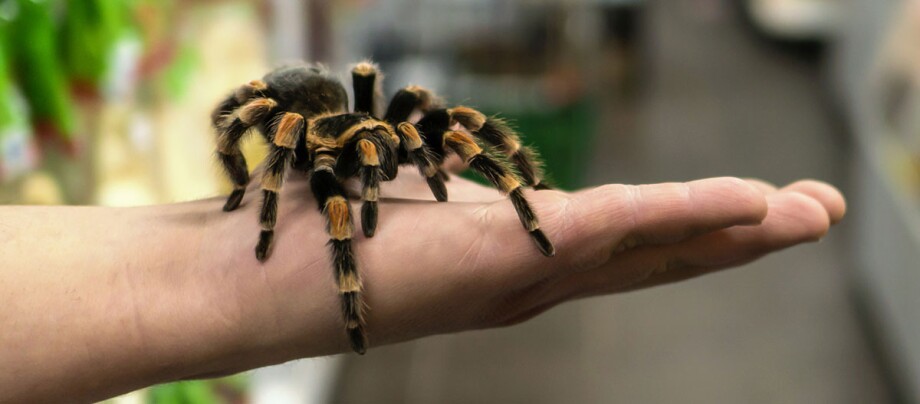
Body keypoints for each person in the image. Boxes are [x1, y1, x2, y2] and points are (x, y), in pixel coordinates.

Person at [0, 166, 845, 402]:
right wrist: (244, 226)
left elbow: (436, 132)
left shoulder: (388, 128)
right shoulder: (298, 135)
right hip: (298, 136)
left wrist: (517, 187)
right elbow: (256, 126)